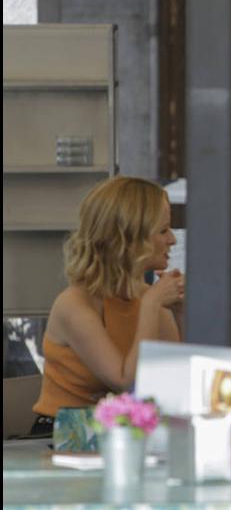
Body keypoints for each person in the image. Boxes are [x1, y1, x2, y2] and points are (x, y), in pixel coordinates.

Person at [32, 176, 183, 433]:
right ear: (130, 240)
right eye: (162, 230)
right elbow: (127, 382)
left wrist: (180, 310)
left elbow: (176, 379)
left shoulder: (151, 297)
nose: (172, 240)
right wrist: (151, 305)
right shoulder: (73, 304)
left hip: (127, 432)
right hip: (64, 436)